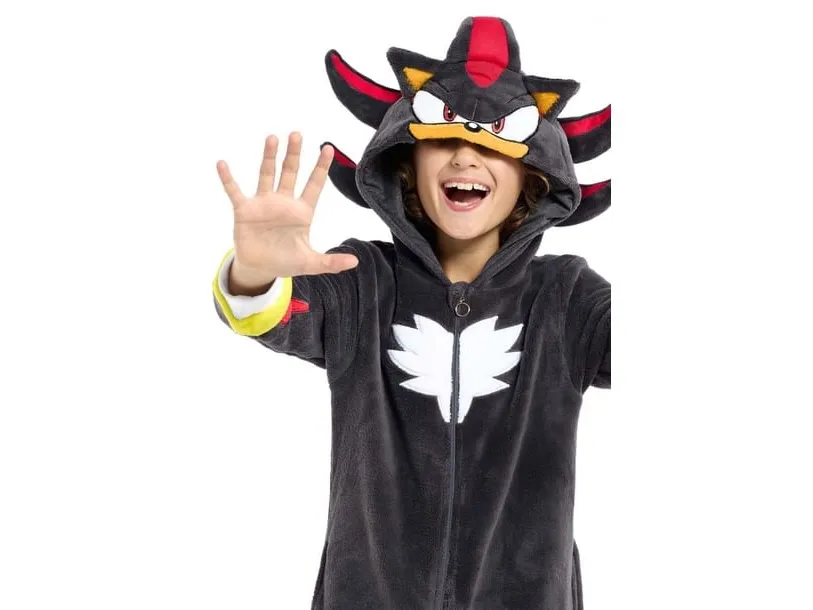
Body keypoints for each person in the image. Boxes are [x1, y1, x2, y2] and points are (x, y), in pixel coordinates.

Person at [212, 16, 610, 610]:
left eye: (492, 146)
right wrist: (256, 271)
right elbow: (276, 313)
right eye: (443, 141)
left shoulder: (567, 296)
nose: (465, 157)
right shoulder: (360, 280)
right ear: (406, 163)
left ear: (532, 175)